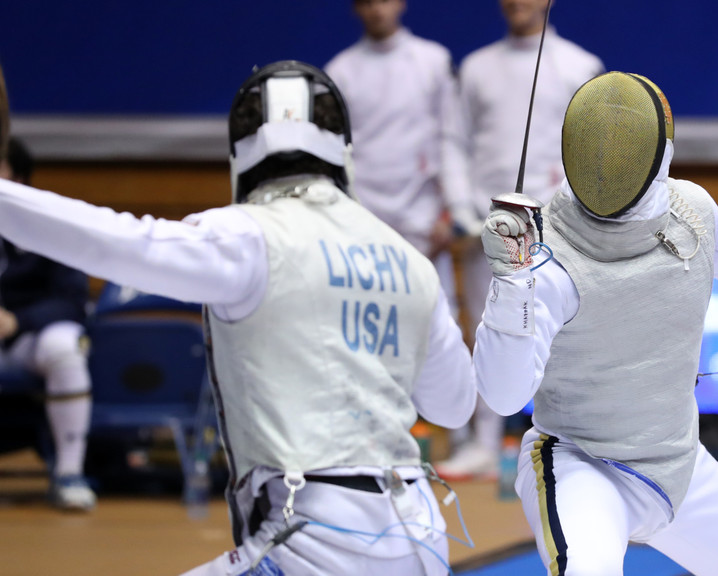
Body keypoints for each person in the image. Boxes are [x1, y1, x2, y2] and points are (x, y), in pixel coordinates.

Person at [0, 61, 476, 576]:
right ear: (341, 149)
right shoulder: (409, 261)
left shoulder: (247, 238)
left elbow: (120, 242)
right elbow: (454, 407)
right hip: (421, 539)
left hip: (320, 542)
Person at [474, 72, 718, 575]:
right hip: (584, 466)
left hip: (678, 464)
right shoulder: (547, 263)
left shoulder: (690, 210)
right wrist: (512, 286)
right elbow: (502, 394)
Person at [436, 0, 604, 481]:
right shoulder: (476, 67)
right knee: (490, 329)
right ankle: (485, 445)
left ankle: (566, 445)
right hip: (488, 227)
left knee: (562, 332)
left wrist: (569, 214)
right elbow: (454, 141)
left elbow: (591, 148)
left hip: (559, 228)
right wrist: (465, 209)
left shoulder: (579, 66)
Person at [323, 0, 463, 312]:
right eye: (367, 3)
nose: (376, 10)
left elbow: (450, 139)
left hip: (424, 217)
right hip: (364, 216)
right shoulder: (340, 71)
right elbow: (334, 153)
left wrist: (449, 212)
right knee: (369, 314)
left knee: (435, 313)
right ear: (356, 9)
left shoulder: (433, 60)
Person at [0, 137, 95, 512]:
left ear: (18, 176)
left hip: (27, 342)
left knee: (65, 346)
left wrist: (16, 321)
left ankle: (69, 473)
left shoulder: (47, 223)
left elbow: (73, 299)